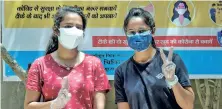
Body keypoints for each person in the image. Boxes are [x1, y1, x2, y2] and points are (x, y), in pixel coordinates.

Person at [24, 6, 111, 109]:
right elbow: (28, 106)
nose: (74, 30)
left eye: (78, 27)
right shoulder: (40, 65)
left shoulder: (94, 64)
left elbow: (99, 106)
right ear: (56, 31)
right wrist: (53, 104)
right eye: (68, 26)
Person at [114, 8, 195, 109]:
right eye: (132, 32)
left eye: (142, 31)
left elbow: (188, 105)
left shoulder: (172, 61)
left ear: (152, 31)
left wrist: (173, 80)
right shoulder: (121, 71)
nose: (137, 35)